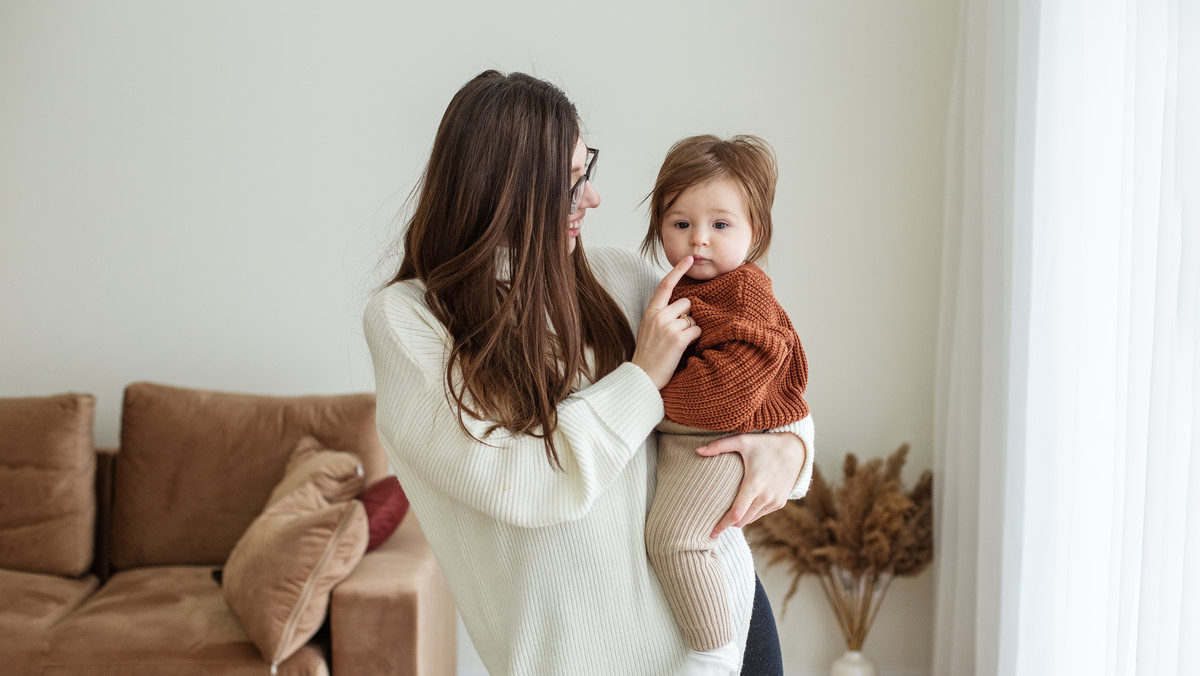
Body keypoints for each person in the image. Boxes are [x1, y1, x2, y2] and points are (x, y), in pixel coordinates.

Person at [363, 70, 813, 676]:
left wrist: (792, 450)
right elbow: (523, 483)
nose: (593, 199)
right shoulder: (411, 321)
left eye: (587, 174)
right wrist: (641, 377)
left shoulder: (625, 278)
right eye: (572, 183)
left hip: (723, 636)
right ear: (508, 190)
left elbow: (761, 371)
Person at [640, 135, 814, 676]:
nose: (699, 241)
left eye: (720, 225)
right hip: (693, 439)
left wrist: (646, 390)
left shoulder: (745, 294)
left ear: (754, 232)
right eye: (680, 224)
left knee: (678, 540)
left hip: (714, 444)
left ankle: (714, 655)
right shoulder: (667, 289)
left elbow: (725, 396)